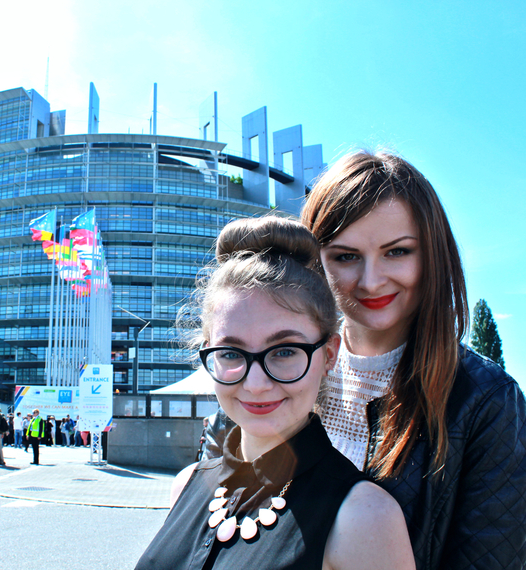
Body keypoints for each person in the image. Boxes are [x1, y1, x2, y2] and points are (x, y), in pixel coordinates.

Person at [135, 217, 414, 570]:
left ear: (329, 354)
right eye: (231, 353)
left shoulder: (364, 518)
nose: (255, 384)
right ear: (208, 353)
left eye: (284, 351)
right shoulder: (187, 484)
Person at [300, 150, 526, 569]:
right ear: (316, 263)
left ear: (433, 254)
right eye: (346, 256)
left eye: (397, 252)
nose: (371, 281)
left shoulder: (487, 402)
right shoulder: (281, 371)